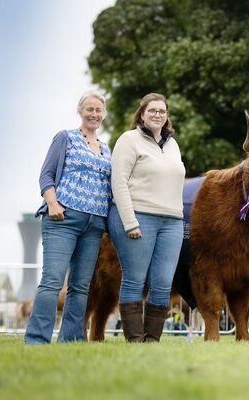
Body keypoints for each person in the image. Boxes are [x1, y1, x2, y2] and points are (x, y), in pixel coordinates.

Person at [25, 91, 111, 344]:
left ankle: (71, 340)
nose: (94, 114)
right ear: (80, 111)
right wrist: (52, 203)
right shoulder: (66, 138)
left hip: (95, 224)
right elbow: (46, 175)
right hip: (63, 219)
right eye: (89, 110)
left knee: (81, 286)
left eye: (98, 110)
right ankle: (36, 340)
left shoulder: (106, 149)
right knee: (52, 282)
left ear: (103, 114)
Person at [108, 93, 185, 343]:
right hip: (138, 216)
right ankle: (135, 340)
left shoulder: (172, 144)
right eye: (152, 110)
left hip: (171, 221)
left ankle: (152, 341)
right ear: (141, 114)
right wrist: (130, 222)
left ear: (167, 116)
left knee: (163, 283)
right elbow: (118, 182)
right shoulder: (128, 140)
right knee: (134, 279)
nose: (157, 115)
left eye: (162, 111)